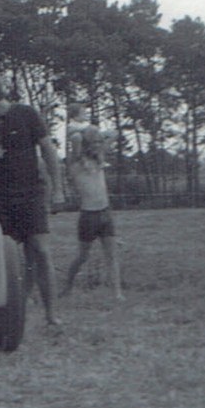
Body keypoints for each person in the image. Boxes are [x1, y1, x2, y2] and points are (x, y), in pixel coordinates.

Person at [0, 70, 62, 326]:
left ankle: (51, 315)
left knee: (41, 251)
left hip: (31, 193)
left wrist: (58, 190)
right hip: (1, 198)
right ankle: (14, 310)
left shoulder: (26, 114)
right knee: (9, 257)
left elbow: (48, 151)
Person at [62, 114, 123, 300]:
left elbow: (114, 133)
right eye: (94, 143)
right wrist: (85, 132)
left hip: (105, 212)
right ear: (87, 144)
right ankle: (67, 287)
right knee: (82, 256)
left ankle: (117, 294)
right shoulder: (75, 164)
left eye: (99, 142)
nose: (99, 145)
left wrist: (96, 135)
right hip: (88, 216)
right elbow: (75, 138)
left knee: (111, 256)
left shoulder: (99, 160)